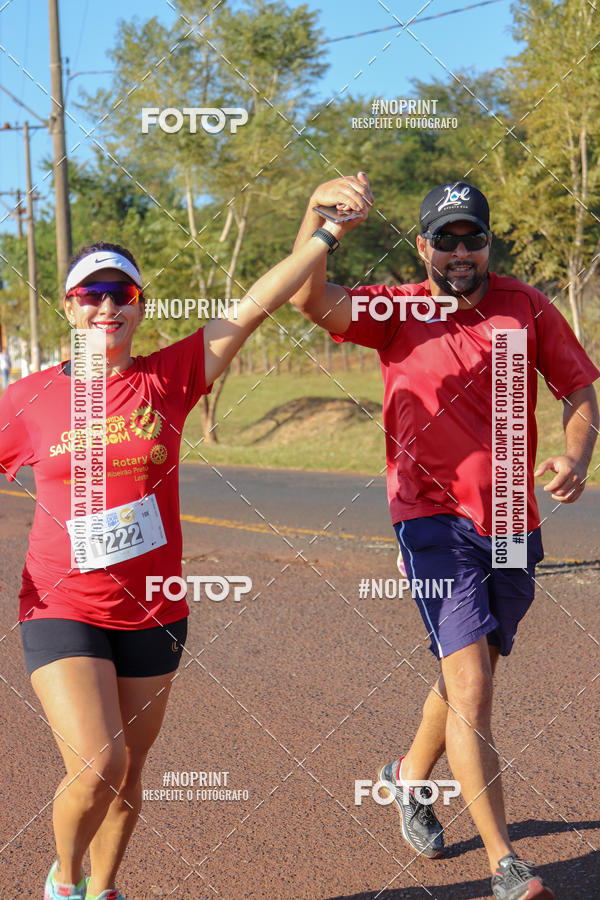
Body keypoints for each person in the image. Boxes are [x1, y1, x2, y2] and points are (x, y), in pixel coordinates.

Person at [0, 221, 348, 900]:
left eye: (120, 292)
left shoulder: (168, 377)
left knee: (129, 773)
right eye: (90, 294)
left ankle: (104, 889)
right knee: (100, 762)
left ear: (140, 305)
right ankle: (63, 884)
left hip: (154, 608)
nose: (107, 307)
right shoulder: (27, 400)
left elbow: (254, 305)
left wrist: (325, 233)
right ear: (69, 307)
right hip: (60, 605)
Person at [290, 175, 599, 900]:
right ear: (422, 244)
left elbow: (580, 388)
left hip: (513, 523)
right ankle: (504, 863)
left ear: (490, 242)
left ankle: (406, 776)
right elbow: (309, 298)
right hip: (429, 519)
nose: (461, 252)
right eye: (446, 238)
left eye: (474, 237)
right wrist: (317, 217)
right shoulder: (396, 309)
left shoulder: (525, 306)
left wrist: (577, 455)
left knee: (471, 673)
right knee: (471, 684)